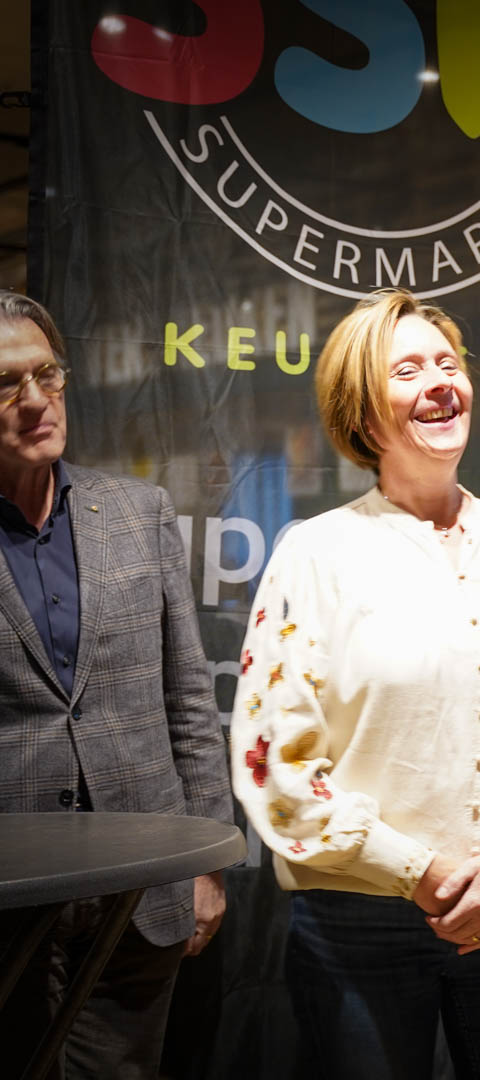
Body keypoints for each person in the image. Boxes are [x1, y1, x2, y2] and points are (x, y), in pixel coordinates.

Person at [228, 289, 480, 1080]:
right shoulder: (314, 556)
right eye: (407, 370)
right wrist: (424, 874)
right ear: (362, 411)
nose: (440, 382)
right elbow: (277, 765)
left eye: (448, 364)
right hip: (359, 922)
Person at [0, 290, 233, 1078]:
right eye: (6, 383)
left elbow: (188, 697)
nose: (35, 400)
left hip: (143, 891)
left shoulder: (138, 512)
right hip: (13, 896)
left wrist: (206, 859)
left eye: (47, 374)